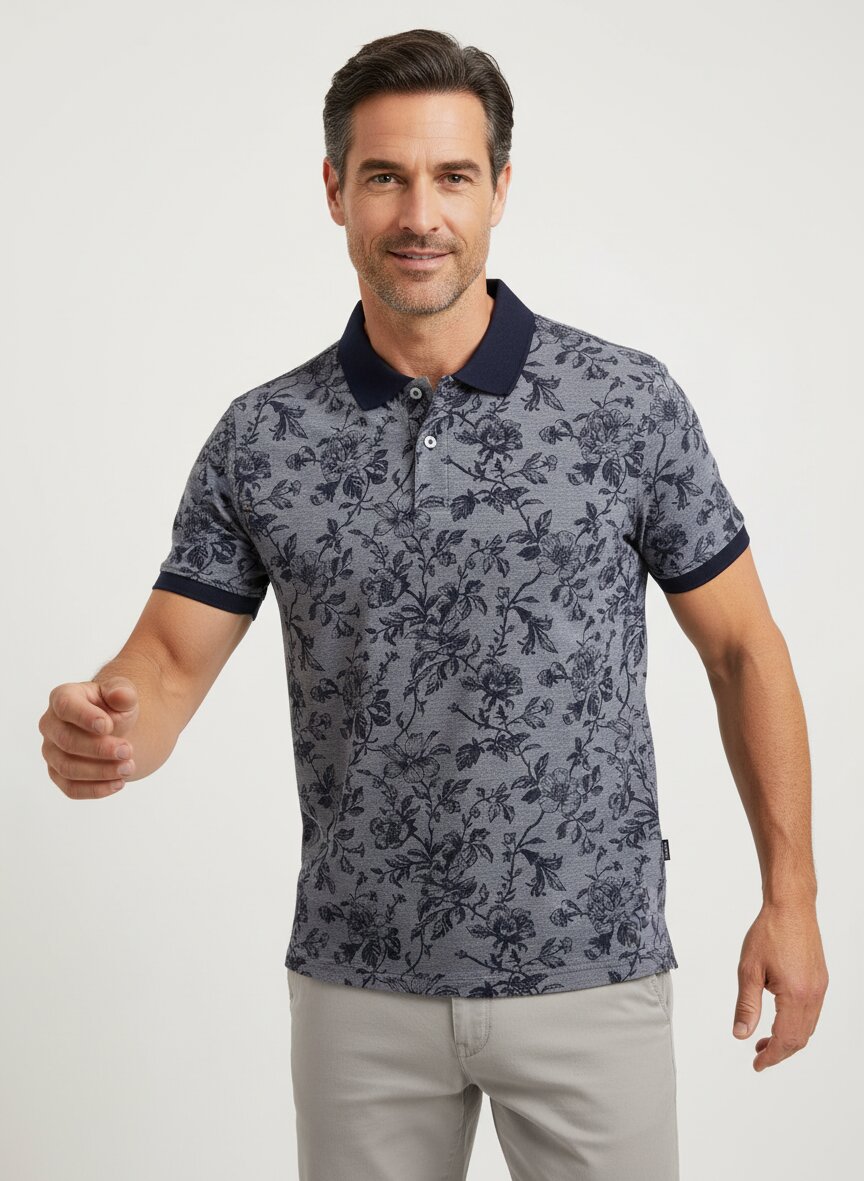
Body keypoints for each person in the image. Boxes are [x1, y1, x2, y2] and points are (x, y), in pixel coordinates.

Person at [38, 26, 828, 1181]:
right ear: (335, 191)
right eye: (385, 177)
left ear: (499, 188)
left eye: (452, 176)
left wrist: (791, 897)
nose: (420, 213)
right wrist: (102, 729)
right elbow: (162, 664)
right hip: (357, 986)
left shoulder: (623, 404)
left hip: (591, 965)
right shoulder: (263, 437)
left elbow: (745, 648)